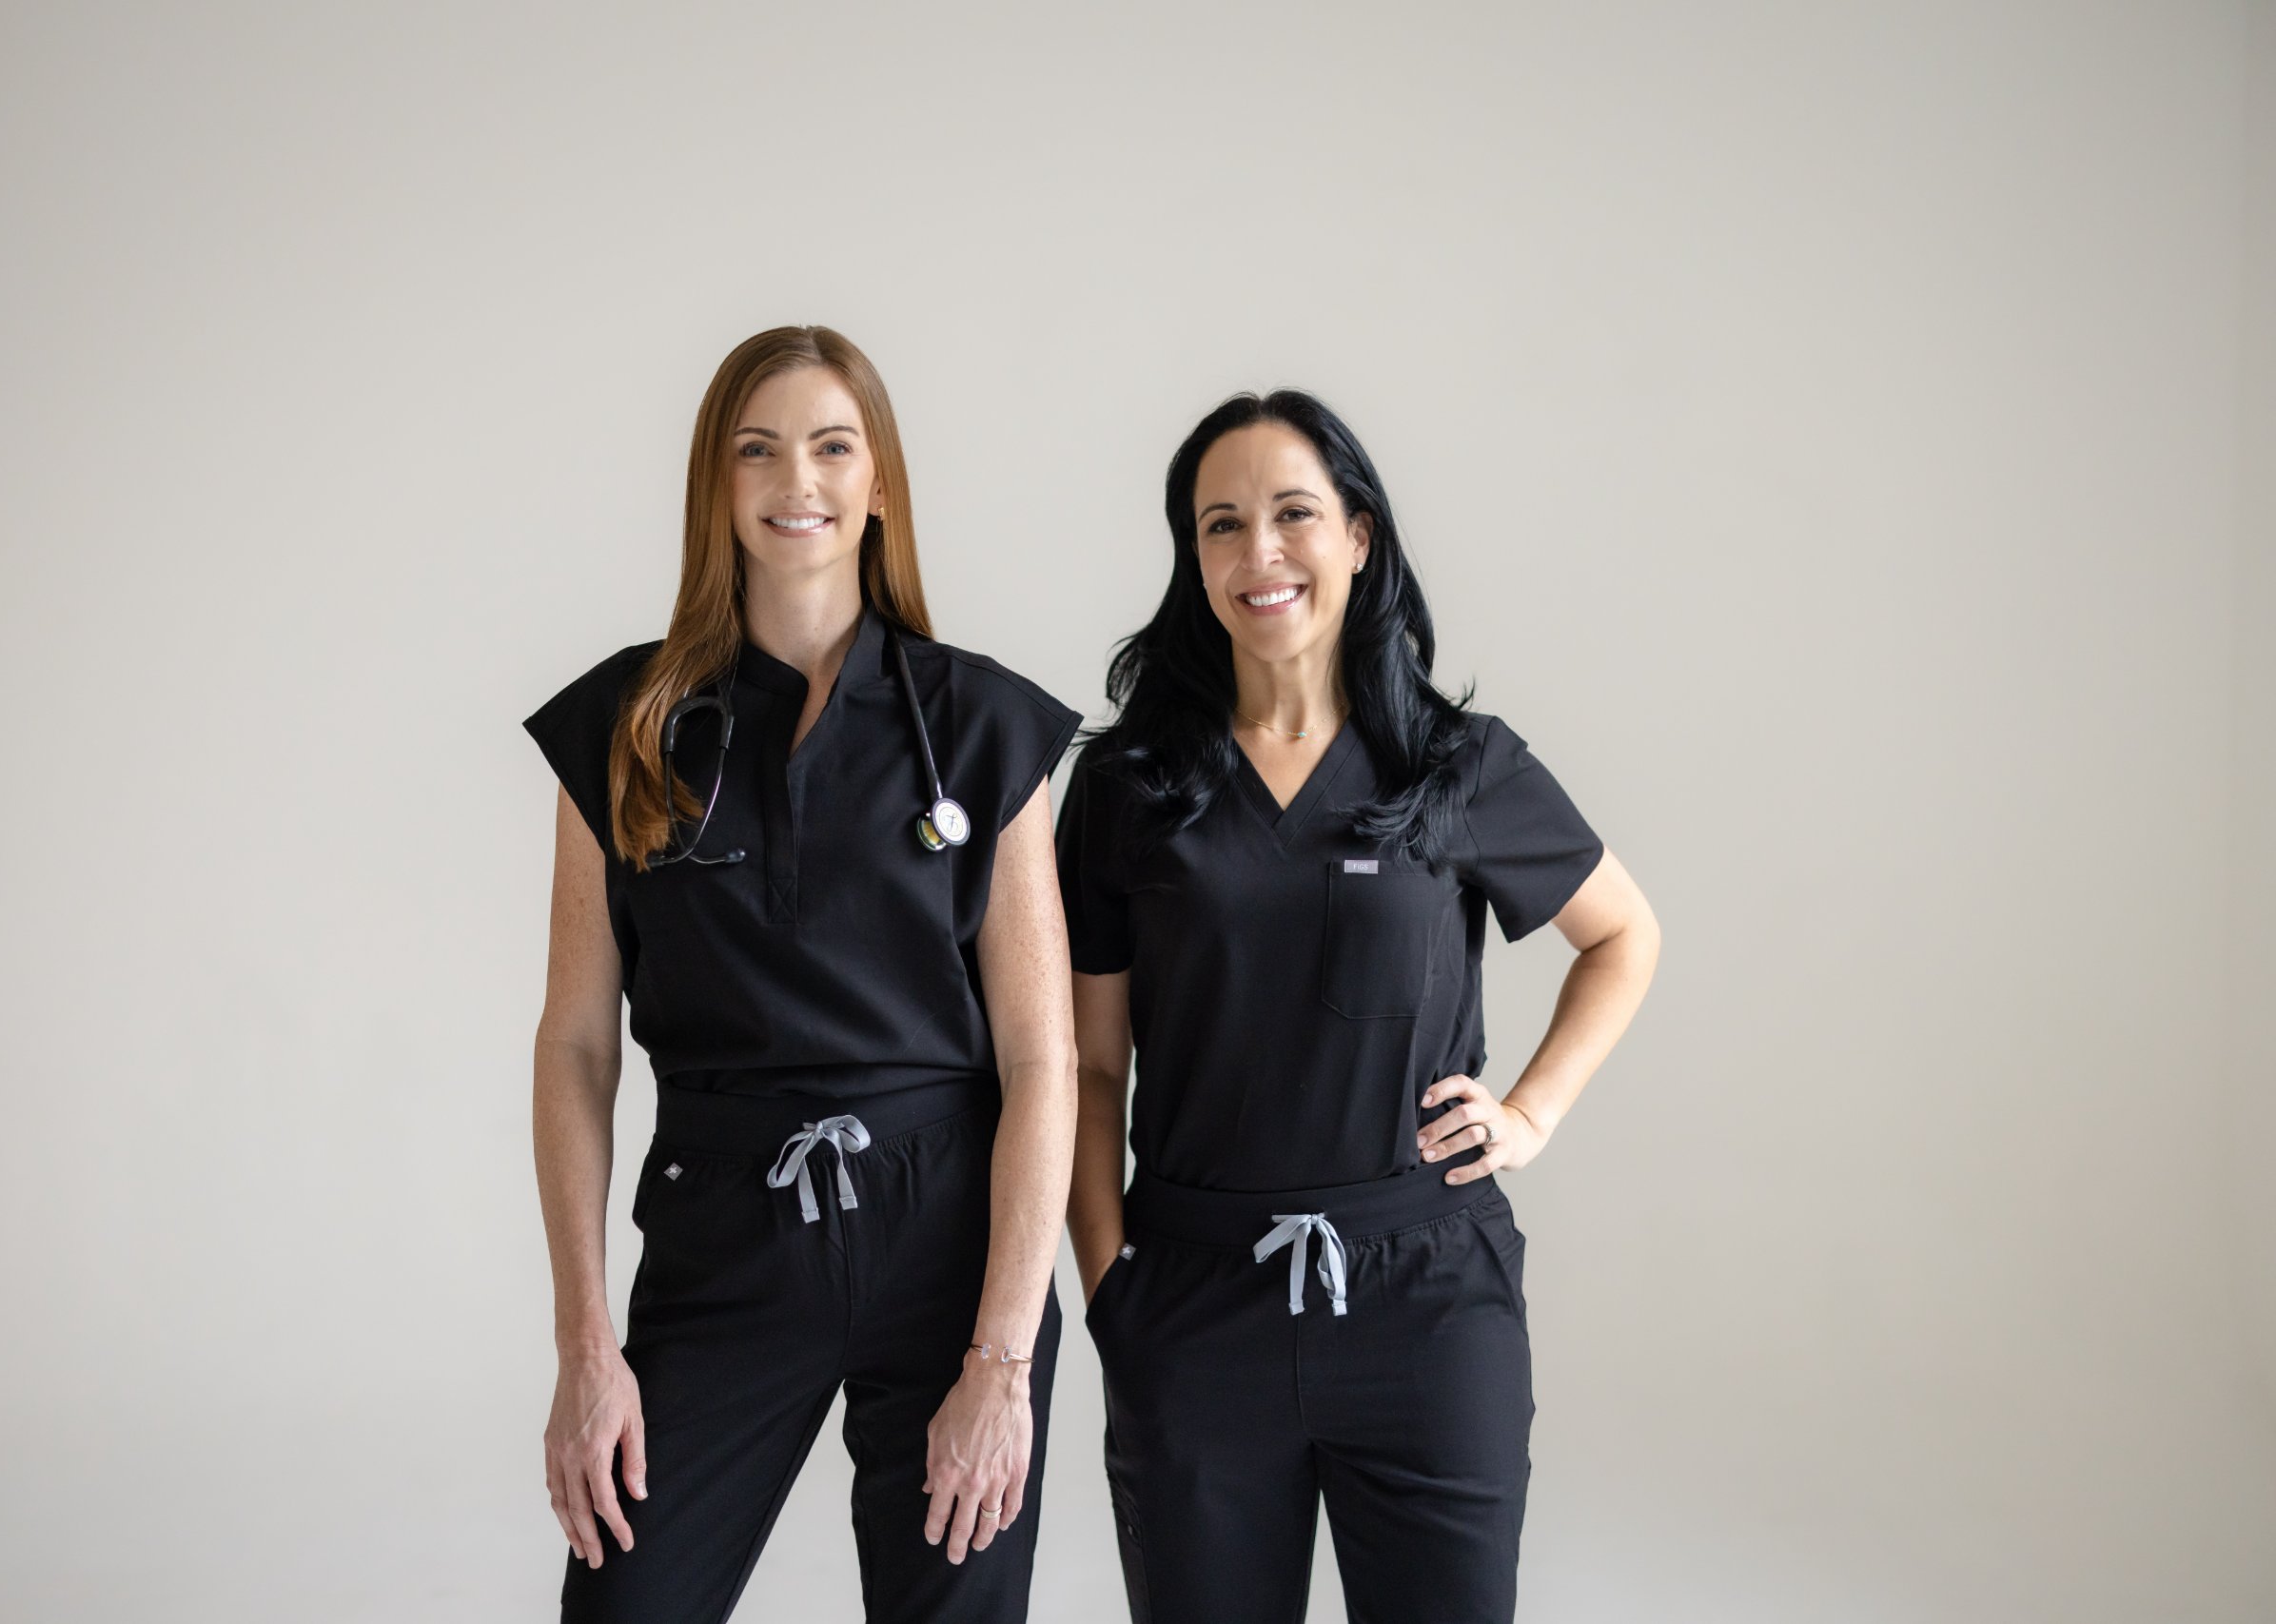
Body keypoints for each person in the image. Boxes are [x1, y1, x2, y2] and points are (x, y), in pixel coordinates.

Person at [1056, 388, 1660, 1623]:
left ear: (1359, 537)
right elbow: (1087, 1070)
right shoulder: (1128, 787)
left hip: (1427, 1306)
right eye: (1222, 525)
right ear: (1193, 555)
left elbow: (1624, 934)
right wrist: (1110, 1281)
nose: (1258, 553)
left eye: (1293, 514)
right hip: (1195, 1300)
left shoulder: (1456, 765)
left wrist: (1531, 1114)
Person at [522, 325, 1082, 1623]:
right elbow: (576, 1048)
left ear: (879, 482)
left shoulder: (986, 727)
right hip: (725, 1235)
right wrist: (585, 1345)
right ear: (717, 486)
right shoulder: (629, 731)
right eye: (757, 449)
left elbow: (1044, 1058)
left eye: (834, 446)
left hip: (948, 1241)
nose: (798, 480)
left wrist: (1003, 1357)